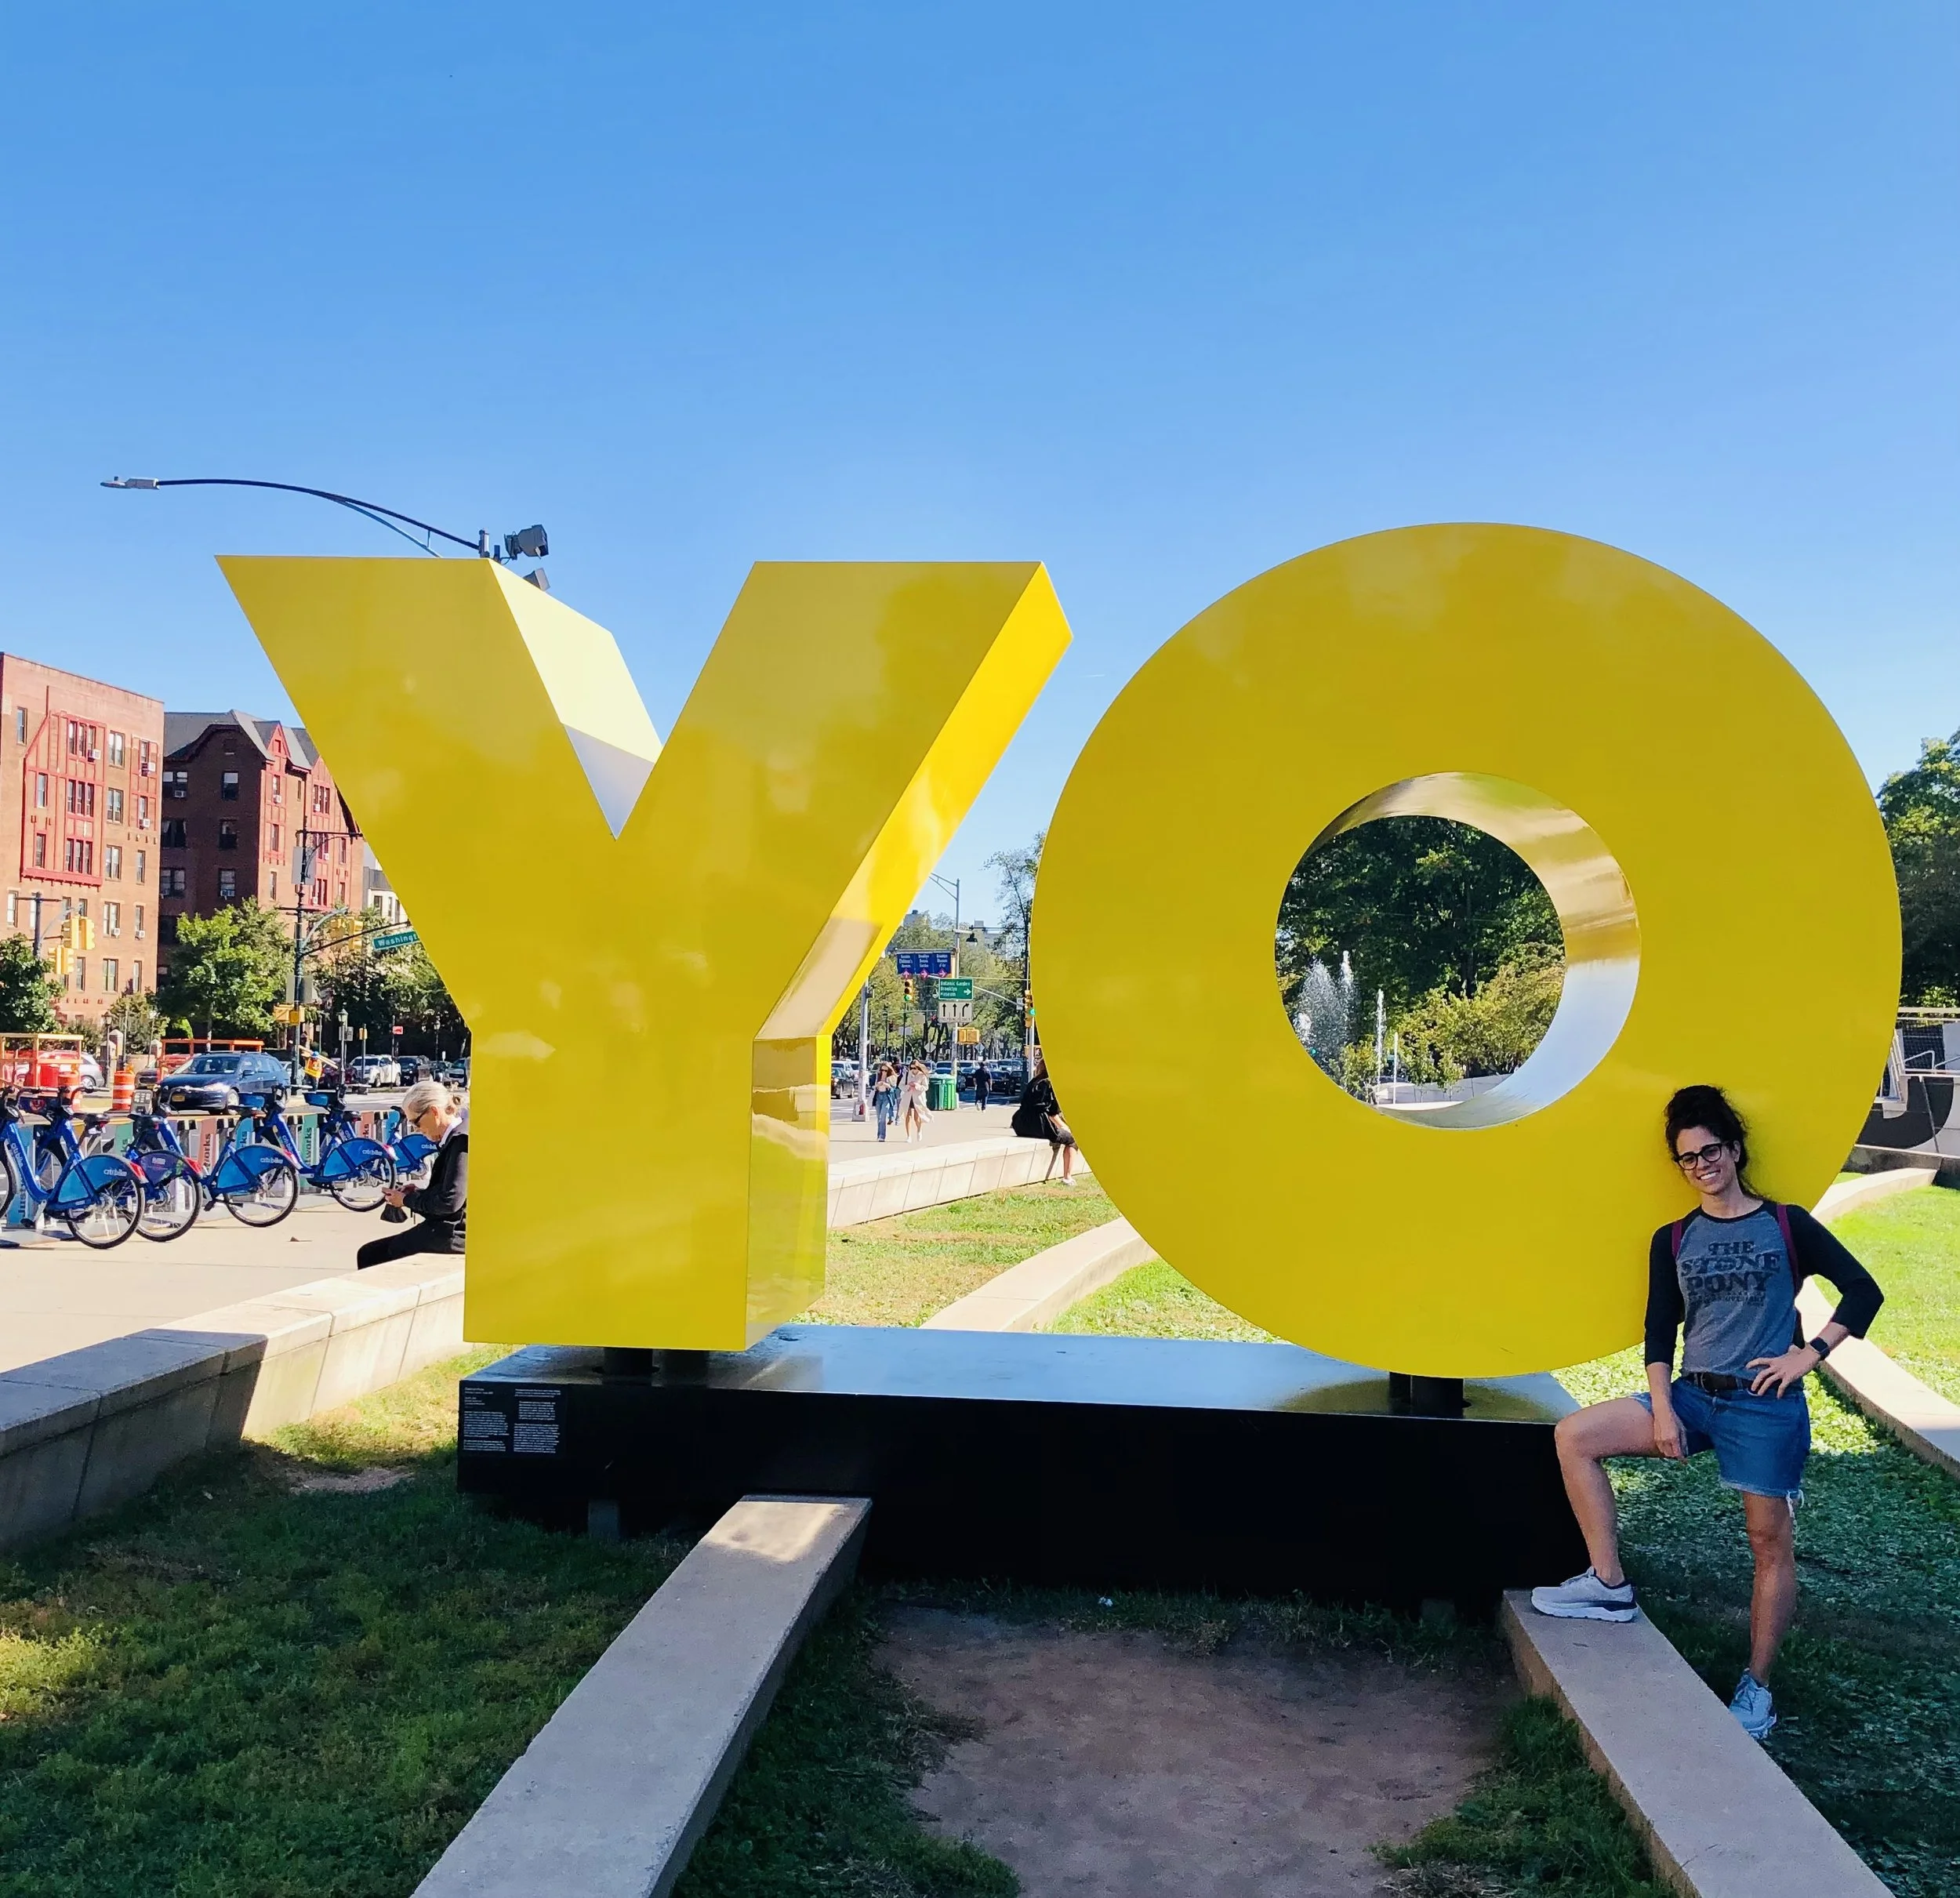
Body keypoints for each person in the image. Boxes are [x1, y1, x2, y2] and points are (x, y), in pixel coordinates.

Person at [1530, 1083, 1883, 1741]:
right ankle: (1608, 1583)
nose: (1702, 1166)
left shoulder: (1785, 1224)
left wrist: (1808, 1356)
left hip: (1764, 1404)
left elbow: (1864, 1290)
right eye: (1688, 1158)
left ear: (1736, 1149)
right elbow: (1659, 1330)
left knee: (1768, 1541)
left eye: (1711, 1151)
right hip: (1693, 1394)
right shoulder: (1673, 1238)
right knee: (1575, 1435)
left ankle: (1758, 1687)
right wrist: (1663, 1409)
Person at [357, 1079, 468, 1268]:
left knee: (371, 1255)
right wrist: (416, 1194)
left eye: (416, 1122)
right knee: (373, 1252)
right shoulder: (460, 1135)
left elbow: (450, 1202)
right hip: (452, 1230)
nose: (417, 1130)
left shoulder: (460, 1142)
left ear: (434, 1112)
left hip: (454, 1234)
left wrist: (406, 1200)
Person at [1011, 1057, 1076, 1183]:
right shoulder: (1050, 1084)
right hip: (1039, 1125)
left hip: (1021, 1125)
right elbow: (1052, 1113)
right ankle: (1067, 1177)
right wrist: (1065, 1127)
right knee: (1072, 1140)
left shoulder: (1034, 1082)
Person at [899, 1060, 931, 1143]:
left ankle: (919, 1130)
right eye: (911, 1068)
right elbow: (901, 1085)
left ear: (918, 1068)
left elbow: (925, 1087)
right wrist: (908, 1087)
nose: (913, 1070)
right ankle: (909, 1136)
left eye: (915, 1068)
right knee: (908, 1116)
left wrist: (917, 1086)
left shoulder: (922, 1076)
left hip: (918, 1098)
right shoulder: (907, 1075)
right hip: (908, 1098)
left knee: (917, 1117)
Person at [871, 1062, 900, 1143]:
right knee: (878, 1118)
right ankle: (879, 1135)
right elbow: (872, 1086)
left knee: (883, 1117)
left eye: (885, 1070)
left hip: (886, 1097)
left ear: (889, 1071)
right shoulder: (877, 1076)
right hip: (878, 1096)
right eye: (882, 1070)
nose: (883, 1072)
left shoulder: (891, 1077)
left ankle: (882, 1136)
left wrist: (887, 1085)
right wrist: (877, 1085)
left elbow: (893, 1088)